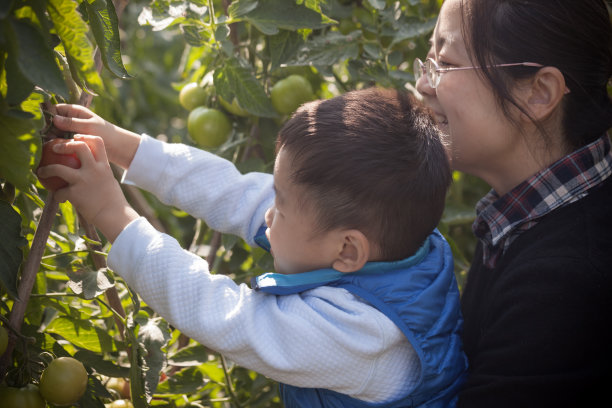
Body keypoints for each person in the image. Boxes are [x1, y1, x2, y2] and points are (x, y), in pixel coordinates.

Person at [38, 87, 468, 407]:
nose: (267, 213)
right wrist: (125, 147)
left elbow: (224, 316)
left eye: (279, 204)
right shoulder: (388, 240)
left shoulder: (363, 337)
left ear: (348, 252)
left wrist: (114, 215)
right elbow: (235, 193)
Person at [413, 0, 612, 407]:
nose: (423, 85)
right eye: (428, 61)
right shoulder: (526, 221)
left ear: (539, 93)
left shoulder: (566, 283)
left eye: (445, 64)